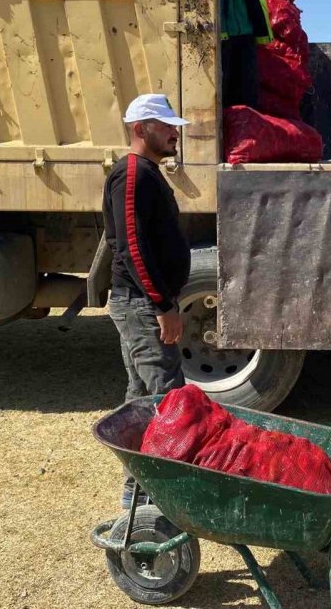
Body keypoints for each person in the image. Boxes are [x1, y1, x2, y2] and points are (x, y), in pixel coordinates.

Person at [102, 93, 191, 507]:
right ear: (140, 129)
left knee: (141, 399)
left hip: (142, 302)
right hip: (141, 305)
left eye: (175, 126)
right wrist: (162, 306)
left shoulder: (148, 172)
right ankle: (157, 495)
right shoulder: (133, 174)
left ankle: (137, 492)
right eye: (165, 126)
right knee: (166, 399)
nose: (175, 133)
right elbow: (132, 247)